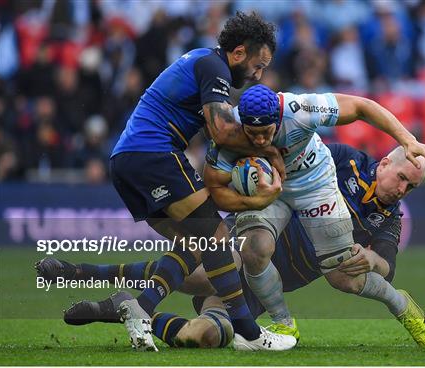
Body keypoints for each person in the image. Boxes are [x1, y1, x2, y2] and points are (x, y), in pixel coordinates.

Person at [36, 143, 425, 348]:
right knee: (200, 263)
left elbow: (388, 265)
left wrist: (373, 261)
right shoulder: (343, 159)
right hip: (251, 241)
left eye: (411, 187)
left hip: (260, 292)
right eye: (401, 177)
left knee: (203, 338)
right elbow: (286, 159)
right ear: (385, 163)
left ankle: (126, 307)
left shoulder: (387, 218)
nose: (402, 189)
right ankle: (79, 272)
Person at [106, 11, 296, 352]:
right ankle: (248, 335)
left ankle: (140, 308)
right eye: (258, 64)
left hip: (126, 162)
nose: (259, 74)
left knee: (195, 246)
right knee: (217, 238)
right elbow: (221, 131)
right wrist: (270, 151)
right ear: (238, 53)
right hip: (154, 155)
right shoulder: (214, 67)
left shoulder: (202, 61)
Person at [203, 84, 425, 347]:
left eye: (267, 133)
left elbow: (362, 106)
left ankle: (402, 305)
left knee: (343, 276)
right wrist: (255, 199)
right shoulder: (227, 132)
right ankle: (284, 324)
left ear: (279, 119)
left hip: (311, 194)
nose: (260, 141)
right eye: (253, 134)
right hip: (273, 194)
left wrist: (408, 140)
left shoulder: (301, 110)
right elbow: (214, 189)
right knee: (251, 250)